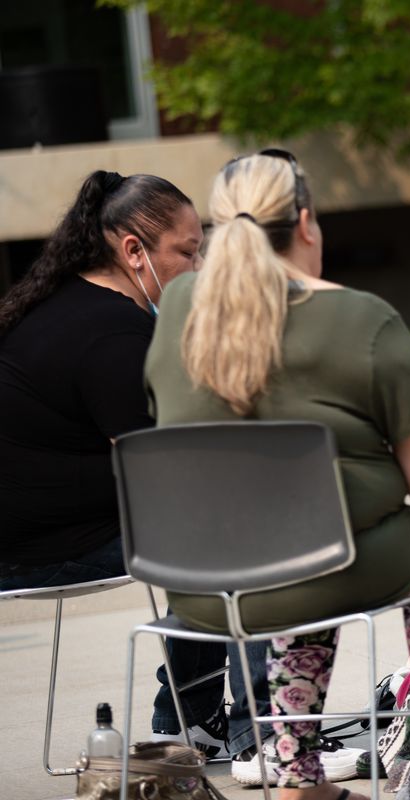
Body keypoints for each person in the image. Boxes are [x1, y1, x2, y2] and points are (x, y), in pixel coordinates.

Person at [143, 151, 410, 800]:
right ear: (306, 223)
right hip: (326, 566)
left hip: (201, 590)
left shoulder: (176, 306)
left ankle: (298, 778)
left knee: (298, 538)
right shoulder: (361, 318)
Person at [0, 170, 268, 758]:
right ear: (133, 250)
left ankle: (194, 717)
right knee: (233, 536)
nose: (196, 268)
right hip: (43, 548)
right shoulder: (111, 333)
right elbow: (163, 468)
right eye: (187, 252)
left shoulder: (57, 305)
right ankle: (245, 727)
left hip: (29, 533)